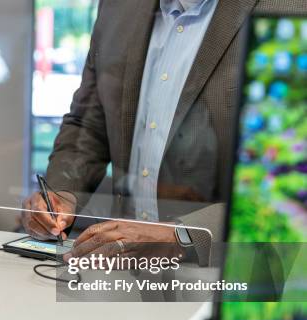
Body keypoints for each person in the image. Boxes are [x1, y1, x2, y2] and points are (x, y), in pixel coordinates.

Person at [22, 0, 306, 266]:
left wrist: (180, 236)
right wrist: (60, 196)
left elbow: (286, 183)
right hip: (119, 273)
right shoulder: (119, 7)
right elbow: (88, 125)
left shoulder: (289, 10)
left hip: (228, 278)